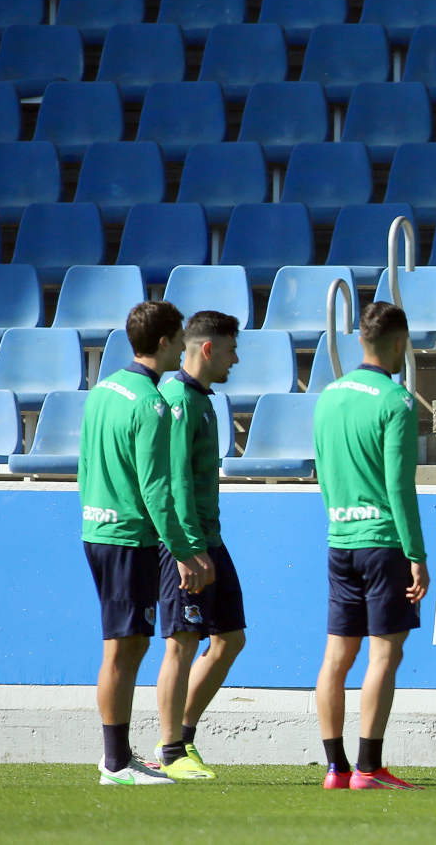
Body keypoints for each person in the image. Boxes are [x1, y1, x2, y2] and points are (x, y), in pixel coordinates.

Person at [81, 300, 214, 785]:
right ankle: (115, 762)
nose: (183, 346)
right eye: (178, 338)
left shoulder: (102, 391)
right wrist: (184, 551)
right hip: (127, 537)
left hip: (97, 529)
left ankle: (119, 756)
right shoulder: (152, 404)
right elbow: (158, 490)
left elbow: (86, 467)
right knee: (123, 647)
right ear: (163, 342)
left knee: (126, 644)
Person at [313, 302, 429, 791]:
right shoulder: (396, 401)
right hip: (384, 543)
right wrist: (417, 555)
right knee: (384, 655)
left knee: (336, 657)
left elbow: (323, 470)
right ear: (399, 343)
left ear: (360, 339)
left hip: (341, 539)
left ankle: (335, 768)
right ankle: (369, 767)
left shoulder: (328, 396)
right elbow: (400, 487)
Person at [155, 310, 246, 780]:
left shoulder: (202, 400)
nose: (237, 358)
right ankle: (171, 752)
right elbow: (174, 484)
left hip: (210, 537)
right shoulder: (178, 401)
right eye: (231, 349)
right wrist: (188, 550)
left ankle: (183, 738)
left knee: (229, 639)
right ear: (208, 349)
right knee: (182, 642)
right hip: (188, 545)